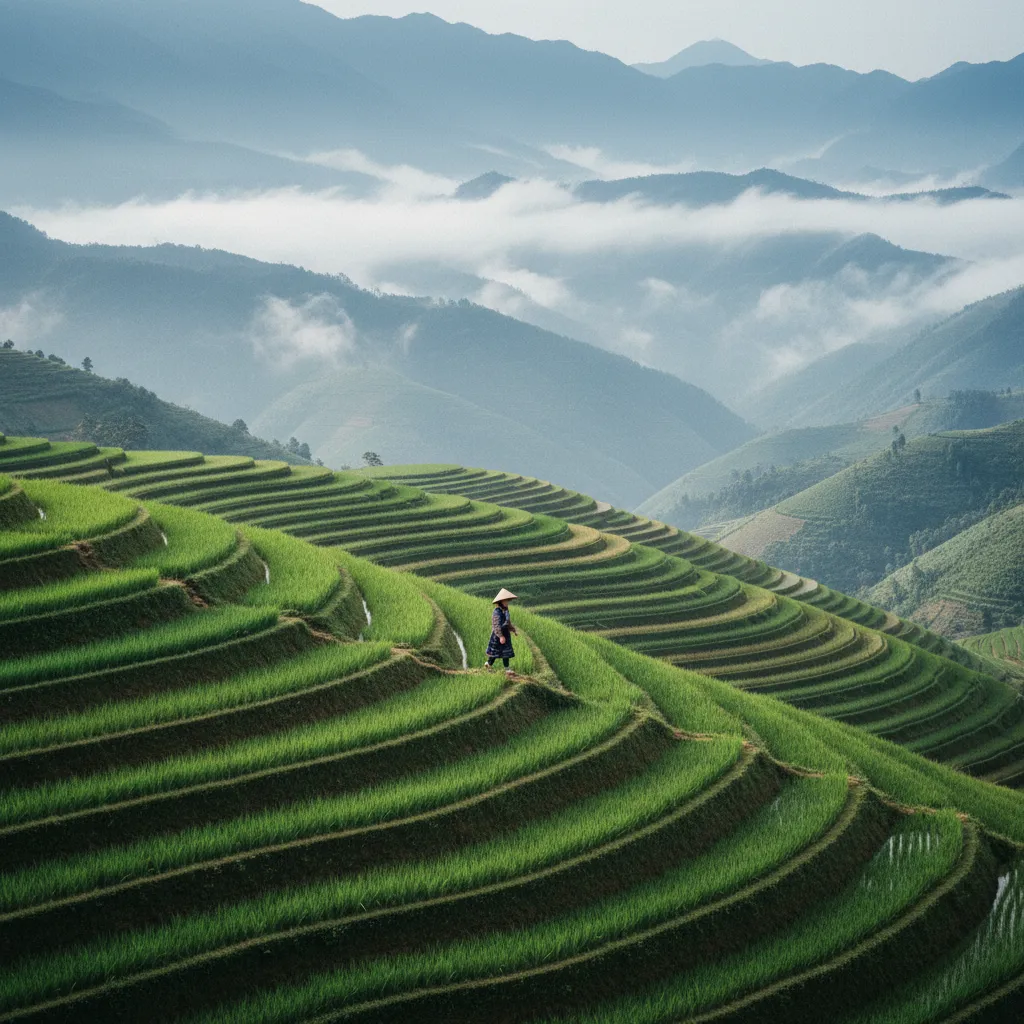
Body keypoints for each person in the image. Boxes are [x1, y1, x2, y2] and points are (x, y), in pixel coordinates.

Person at [486, 588, 518, 677]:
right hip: (497, 635)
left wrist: (513, 629)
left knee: (506, 652)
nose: (507, 602)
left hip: (506, 634)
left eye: (507, 601)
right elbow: (496, 625)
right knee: (495, 652)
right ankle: (488, 665)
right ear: (501, 601)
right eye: (506, 601)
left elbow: (508, 622)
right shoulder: (497, 612)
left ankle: (507, 669)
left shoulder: (506, 611)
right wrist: (500, 636)